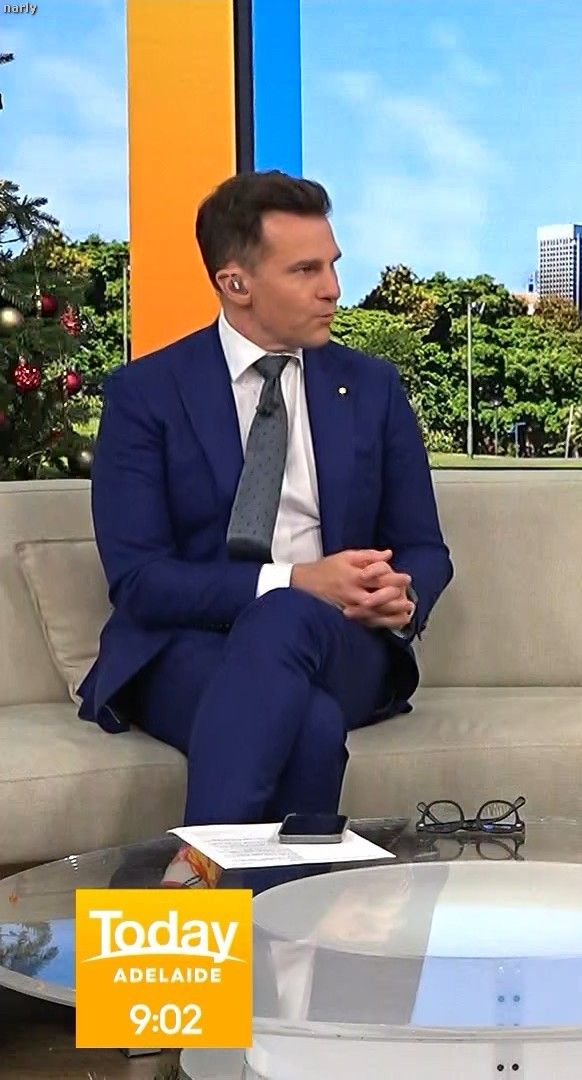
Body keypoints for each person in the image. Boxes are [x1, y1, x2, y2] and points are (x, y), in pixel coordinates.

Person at [79, 171, 452, 883]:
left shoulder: (372, 389)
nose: (333, 289)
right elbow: (140, 580)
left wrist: (402, 592)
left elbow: (425, 547)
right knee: (309, 726)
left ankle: (194, 885)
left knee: (288, 620)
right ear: (236, 283)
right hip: (186, 648)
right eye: (306, 270)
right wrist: (295, 581)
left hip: (340, 643)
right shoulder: (145, 394)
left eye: (333, 265)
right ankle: (290, 937)